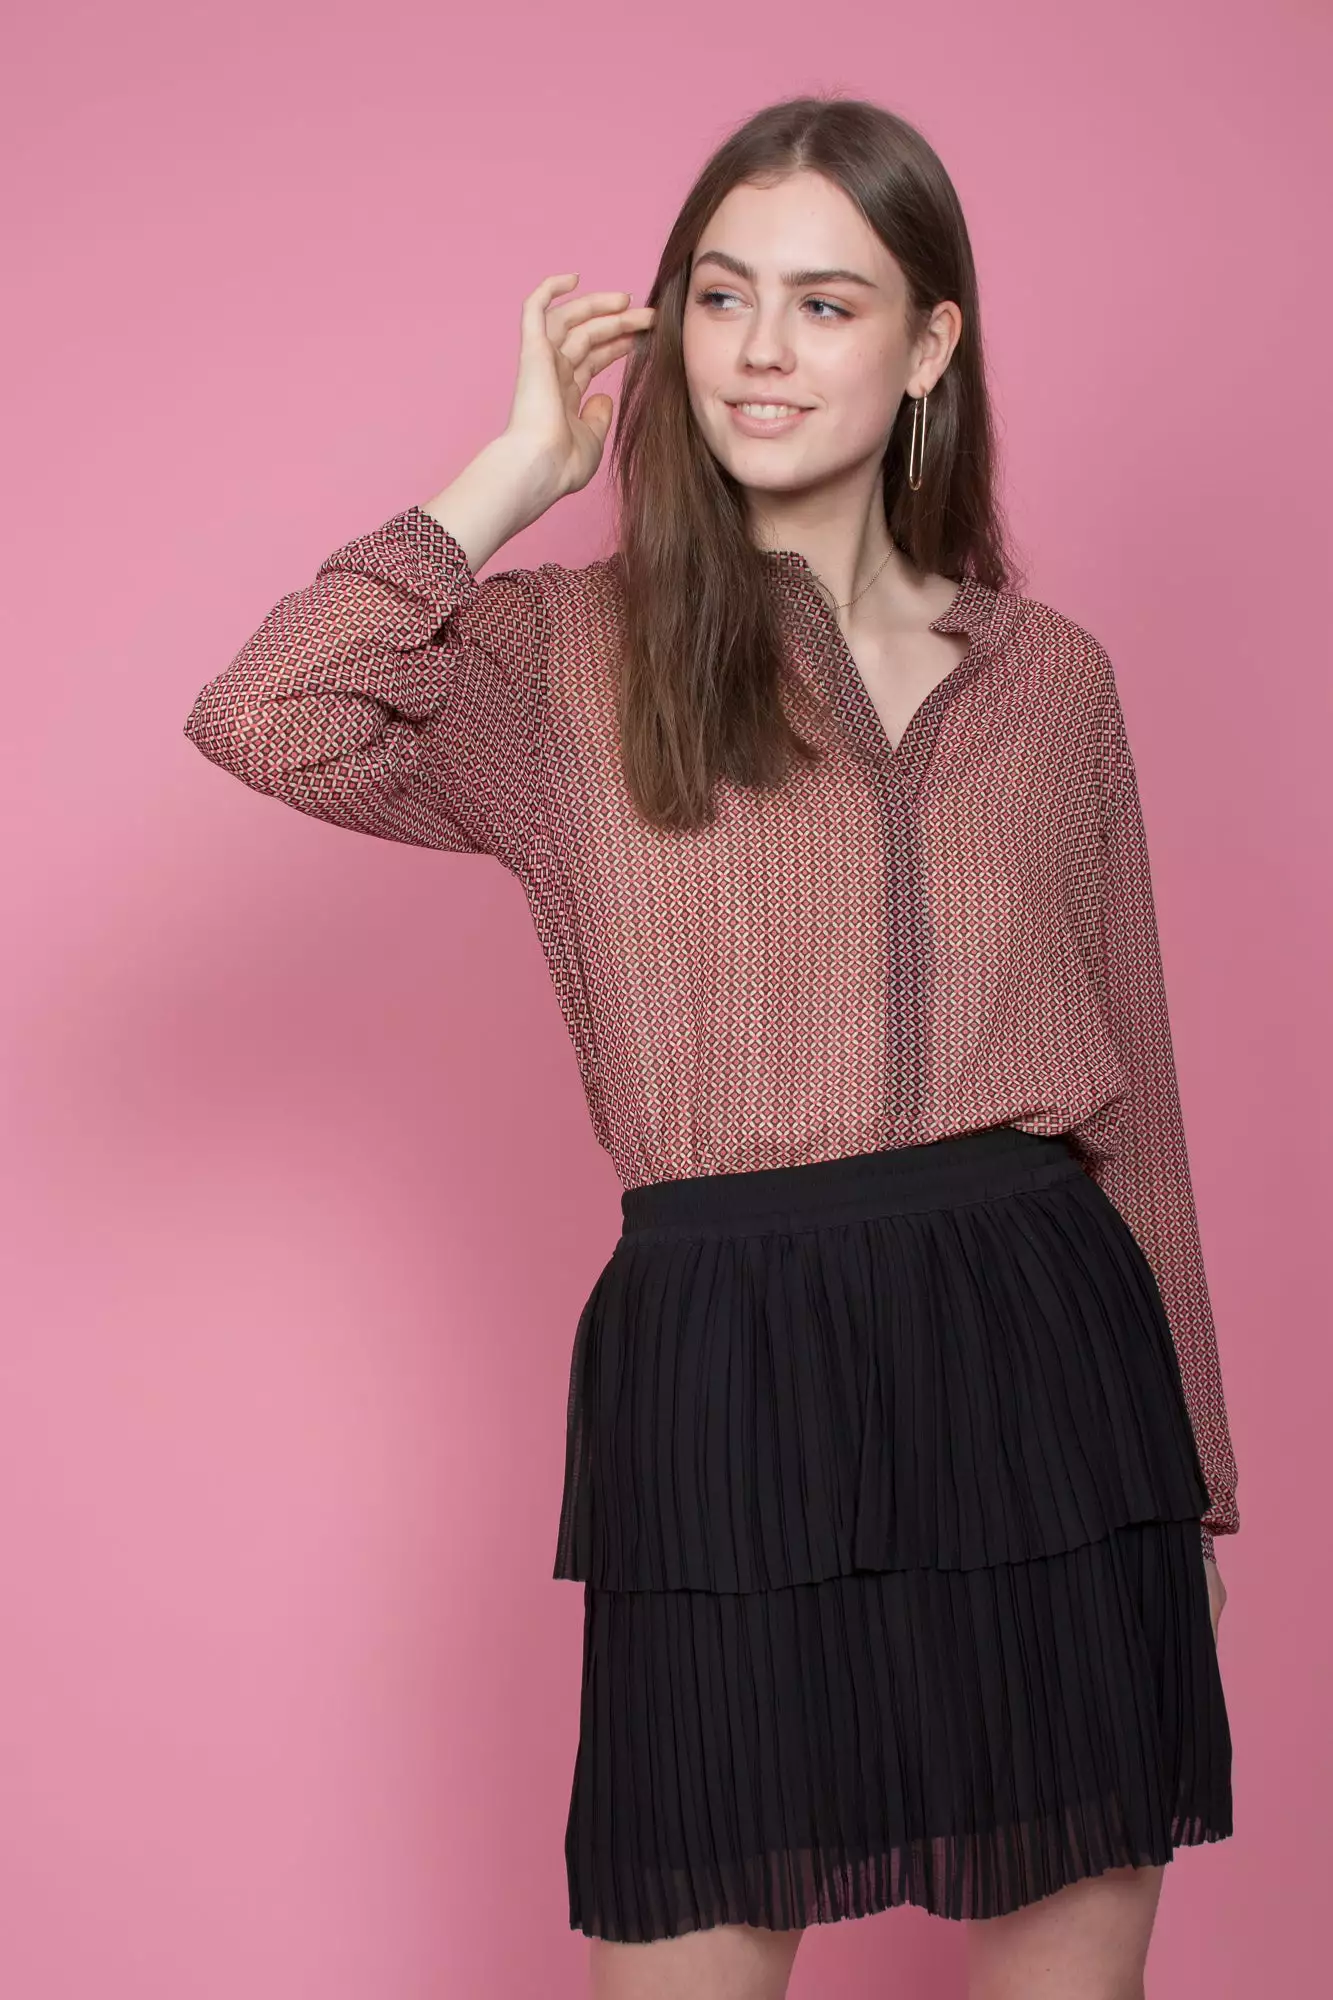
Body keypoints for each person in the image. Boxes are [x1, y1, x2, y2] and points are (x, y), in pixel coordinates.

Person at [183, 93, 1238, 2000]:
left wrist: (1196, 1481)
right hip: (725, 1365)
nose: (759, 349)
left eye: (825, 304)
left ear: (929, 344)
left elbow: (1135, 1097)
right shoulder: (561, 662)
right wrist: (514, 470)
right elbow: (273, 715)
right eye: (722, 296)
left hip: (1049, 1374)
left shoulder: (1052, 682)